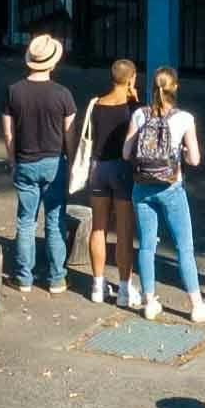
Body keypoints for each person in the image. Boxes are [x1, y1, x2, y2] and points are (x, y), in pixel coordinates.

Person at [119, 66, 205, 319]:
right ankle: (196, 305)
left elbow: (126, 153)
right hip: (171, 187)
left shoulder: (139, 115)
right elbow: (196, 160)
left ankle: (149, 301)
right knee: (184, 247)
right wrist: (184, 154)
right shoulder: (185, 118)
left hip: (141, 187)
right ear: (174, 88)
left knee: (146, 246)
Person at [0, 33, 79, 296]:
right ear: (52, 63)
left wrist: (12, 161)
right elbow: (70, 133)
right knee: (55, 221)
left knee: (25, 221)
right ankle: (57, 278)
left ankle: (24, 277)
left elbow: (9, 133)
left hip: (25, 161)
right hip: (55, 162)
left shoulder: (14, 91)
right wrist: (71, 162)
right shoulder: (63, 94)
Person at [71, 56, 141, 301]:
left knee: (98, 227)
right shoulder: (133, 109)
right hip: (122, 170)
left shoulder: (96, 104)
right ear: (131, 78)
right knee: (124, 230)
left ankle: (97, 286)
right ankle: (124, 286)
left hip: (97, 169)